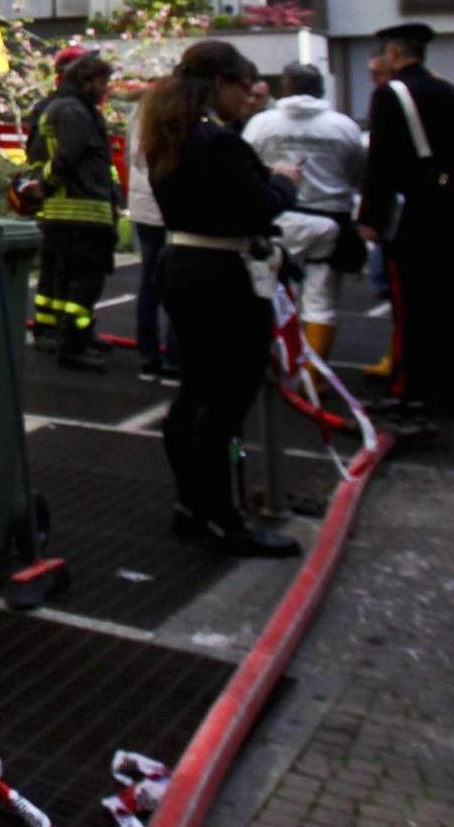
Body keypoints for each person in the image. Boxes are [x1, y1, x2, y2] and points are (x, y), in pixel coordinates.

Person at [137, 40, 298, 557]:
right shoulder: (220, 144)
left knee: (194, 394)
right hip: (224, 275)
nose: (248, 98)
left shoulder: (169, 136)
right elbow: (257, 209)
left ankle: (193, 505)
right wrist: (284, 184)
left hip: (182, 266)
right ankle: (224, 519)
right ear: (220, 85)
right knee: (225, 402)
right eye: (243, 87)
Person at [356, 22, 454, 423]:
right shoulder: (452, 92)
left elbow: (382, 162)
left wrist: (370, 218)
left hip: (417, 210)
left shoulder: (391, 95)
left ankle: (414, 388)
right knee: (449, 299)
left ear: (393, 54)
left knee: (412, 305)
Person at [241, 62, 366, 363]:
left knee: (276, 292)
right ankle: (314, 373)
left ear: (286, 87)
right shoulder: (344, 126)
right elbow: (357, 172)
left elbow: (245, 165)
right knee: (321, 299)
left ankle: (280, 362)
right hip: (329, 220)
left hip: (279, 219)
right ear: (321, 89)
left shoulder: (262, 124)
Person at [29, 48, 120, 371]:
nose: (107, 89)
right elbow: (66, 158)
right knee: (83, 282)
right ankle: (73, 344)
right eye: (103, 82)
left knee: (65, 280)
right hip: (82, 213)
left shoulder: (67, 108)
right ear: (87, 80)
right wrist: (46, 184)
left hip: (71, 212)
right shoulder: (74, 113)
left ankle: (69, 335)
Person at [125, 118, 179, 383]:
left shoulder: (140, 116)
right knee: (178, 285)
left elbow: (131, 159)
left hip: (144, 206)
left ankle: (148, 357)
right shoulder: (182, 116)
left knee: (149, 282)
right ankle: (174, 358)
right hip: (172, 209)